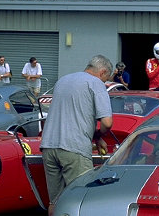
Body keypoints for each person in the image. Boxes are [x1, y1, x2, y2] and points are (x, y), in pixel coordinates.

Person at [40, 55, 113, 215]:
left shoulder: (63, 80)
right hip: (74, 149)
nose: (105, 83)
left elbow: (72, 115)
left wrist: (96, 137)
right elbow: (107, 123)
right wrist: (100, 134)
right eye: (106, 79)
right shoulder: (96, 84)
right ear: (103, 72)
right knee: (80, 200)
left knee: (55, 202)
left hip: (49, 146)